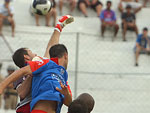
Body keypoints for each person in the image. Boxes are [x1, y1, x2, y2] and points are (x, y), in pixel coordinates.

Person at [1, 15, 74, 113]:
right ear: (26, 57)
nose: (35, 54)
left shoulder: (48, 68)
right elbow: (22, 93)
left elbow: (51, 49)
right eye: (31, 51)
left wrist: (58, 28)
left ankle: (59, 27)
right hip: (26, 109)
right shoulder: (22, 74)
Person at [0, 44, 72, 113]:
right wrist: (2, 86)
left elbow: (69, 103)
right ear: (66, 56)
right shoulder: (46, 63)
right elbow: (22, 71)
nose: (36, 54)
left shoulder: (64, 75)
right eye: (31, 52)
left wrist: (66, 94)